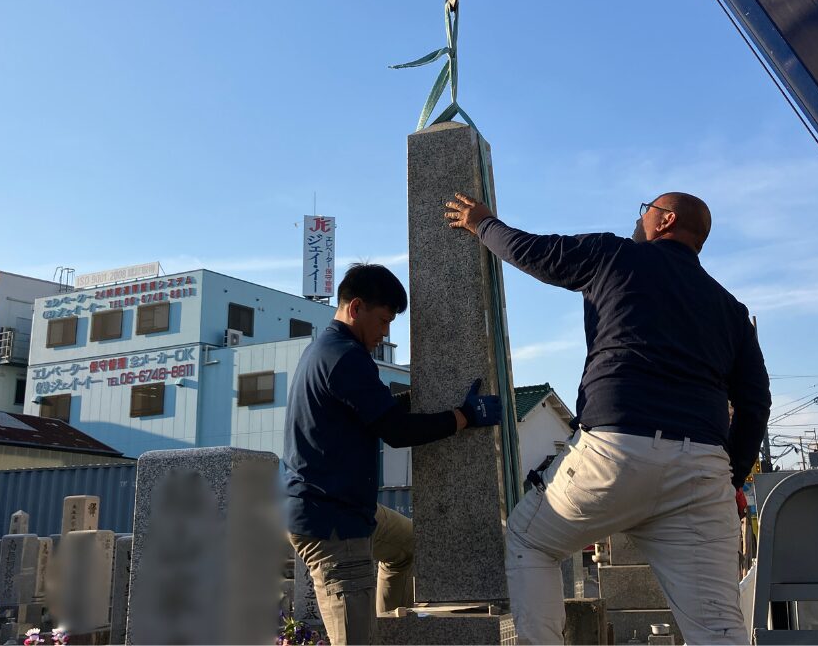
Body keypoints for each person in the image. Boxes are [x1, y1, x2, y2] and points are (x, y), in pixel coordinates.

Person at [445, 191, 771, 645]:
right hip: (702, 469)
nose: (639, 220)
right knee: (718, 630)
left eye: (646, 211)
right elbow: (755, 404)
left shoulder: (614, 255)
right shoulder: (730, 309)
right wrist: (728, 479)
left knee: (530, 540)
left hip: (616, 450)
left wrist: (482, 223)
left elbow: (533, 252)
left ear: (665, 220)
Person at [283, 263, 503, 646]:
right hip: (331, 523)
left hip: (345, 508)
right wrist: (463, 417)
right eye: (383, 320)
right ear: (356, 308)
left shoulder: (329, 350)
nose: (385, 332)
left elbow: (378, 411)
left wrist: (426, 396)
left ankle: (386, 627)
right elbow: (396, 431)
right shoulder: (344, 357)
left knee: (406, 545)